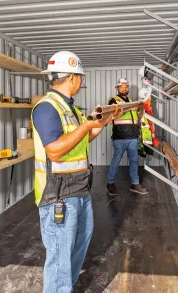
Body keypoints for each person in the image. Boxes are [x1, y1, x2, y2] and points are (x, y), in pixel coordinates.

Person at [31, 51, 121, 292]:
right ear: (72, 78)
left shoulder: (71, 109)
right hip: (57, 195)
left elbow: (81, 140)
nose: (81, 81)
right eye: (80, 76)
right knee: (60, 255)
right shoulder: (47, 108)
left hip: (79, 188)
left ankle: (66, 287)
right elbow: (55, 151)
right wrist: (86, 126)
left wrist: (101, 123)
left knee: (80, 242)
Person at [106, 78, 149, 196]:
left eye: (126, 87)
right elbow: (114, 112)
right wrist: (132, 107)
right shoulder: (113, 100)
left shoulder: (131, 101)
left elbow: (136, 118)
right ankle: (110, 183)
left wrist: (140, 108)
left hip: (132, 136)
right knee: (116, 161)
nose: (124, 88)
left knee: (134, 161)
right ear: (117, 88)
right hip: (120, 137)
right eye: (122, 86)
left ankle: (135, 184)